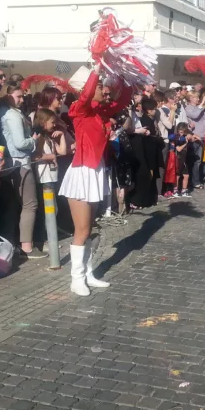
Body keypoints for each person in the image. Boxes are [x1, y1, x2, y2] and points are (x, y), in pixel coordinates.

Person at [59, 66, 132, 296]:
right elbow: (86, 94)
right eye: (100, 86)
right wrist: (96, 69)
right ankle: (76, 279)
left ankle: (89, 273)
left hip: (95, 172)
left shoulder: (99, 111)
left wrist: (128, 76)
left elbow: (122, 102)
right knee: (81, 230)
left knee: (90, 228)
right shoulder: (78, 110)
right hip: (81, 173)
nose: (104, 89)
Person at [0, 84, 45, 258]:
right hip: (19, 163)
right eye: (18, 97)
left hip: (6, 163)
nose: (22, 100)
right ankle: (27, 247)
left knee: (12, 206)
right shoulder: (12, 115)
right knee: (30, 204)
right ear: (8, 96)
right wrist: (33, 140)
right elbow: (20, 143)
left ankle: (11, 243)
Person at [184, 90, 205, 190]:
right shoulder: (188, 108)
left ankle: (196, 180)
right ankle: (193, 182)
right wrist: (202, 104)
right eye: (196, 97)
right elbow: (195, 115)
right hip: (195, 136)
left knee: (199, 161)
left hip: (202, 136)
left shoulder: (199, 108)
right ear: (190, 98)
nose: (198, 99)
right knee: (194, 161)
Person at [170, 122, 192, 198]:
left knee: (186, 175)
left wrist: (191, 136)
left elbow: (192, 136)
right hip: (178, 158)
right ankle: (175, 190)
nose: (181, 133)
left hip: (184, 159)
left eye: (183, 132)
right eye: (180, 131)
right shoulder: (176, 138)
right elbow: (178, 149)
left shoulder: (184, 137)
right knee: (177, 175)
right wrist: (185, 143)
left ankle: (184, 190)